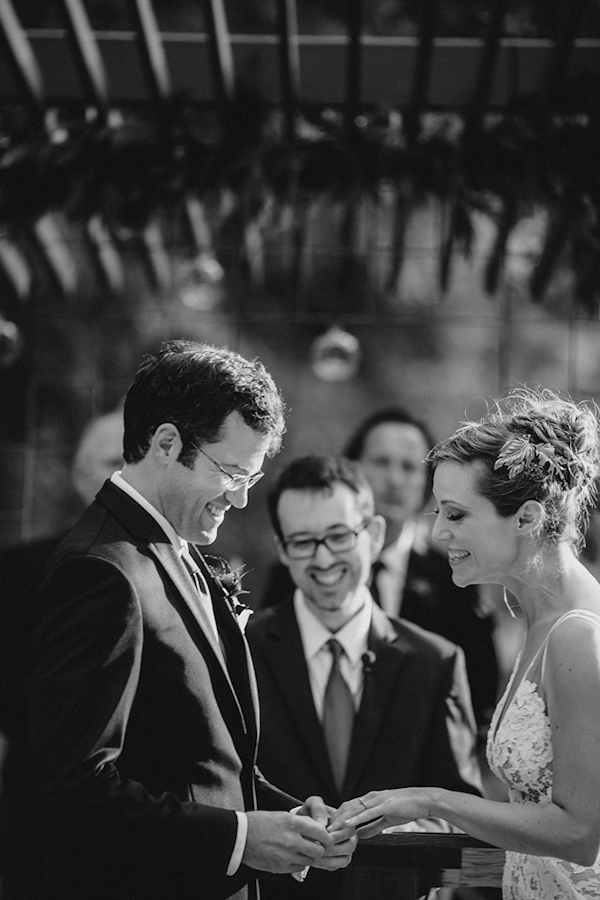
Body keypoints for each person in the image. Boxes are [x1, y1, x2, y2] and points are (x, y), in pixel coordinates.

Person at [9, 341, 355, 900]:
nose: (241, 500)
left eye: (252, 478)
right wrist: (241, 839)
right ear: (167, 444)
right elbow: (73, 789)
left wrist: (288, 819)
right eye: (232, 473)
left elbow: (197, 762)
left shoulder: (175, 547)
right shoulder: (101, 573)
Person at [331, 387, 600, 900]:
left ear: (526, 518)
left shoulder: (576, 636)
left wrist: (431, 801)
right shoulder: (532, 617)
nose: (437, 534)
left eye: (455, 515)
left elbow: (580, 833)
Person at [246, 454, 482, 900]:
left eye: (338, 536)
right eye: (302, 541)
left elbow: (461, 809)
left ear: (373, 535)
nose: (323, 558)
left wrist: (395, 828)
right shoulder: (241, 649)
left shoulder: (436, 661)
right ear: (281, 549)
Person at [261, 407, 499, 739]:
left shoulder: (456, 578)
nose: (395, 479)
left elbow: (477, 697)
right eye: (382, 462)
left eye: (408, 467)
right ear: (352, 467)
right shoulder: (297, 569)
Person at [0, 404, 126, 894]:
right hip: (44, 809)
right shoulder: (21, 569)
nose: (120, 477)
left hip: (155, 817)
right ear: (78, 477)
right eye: (109, 463)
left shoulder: (188, 567)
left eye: (130, 462)